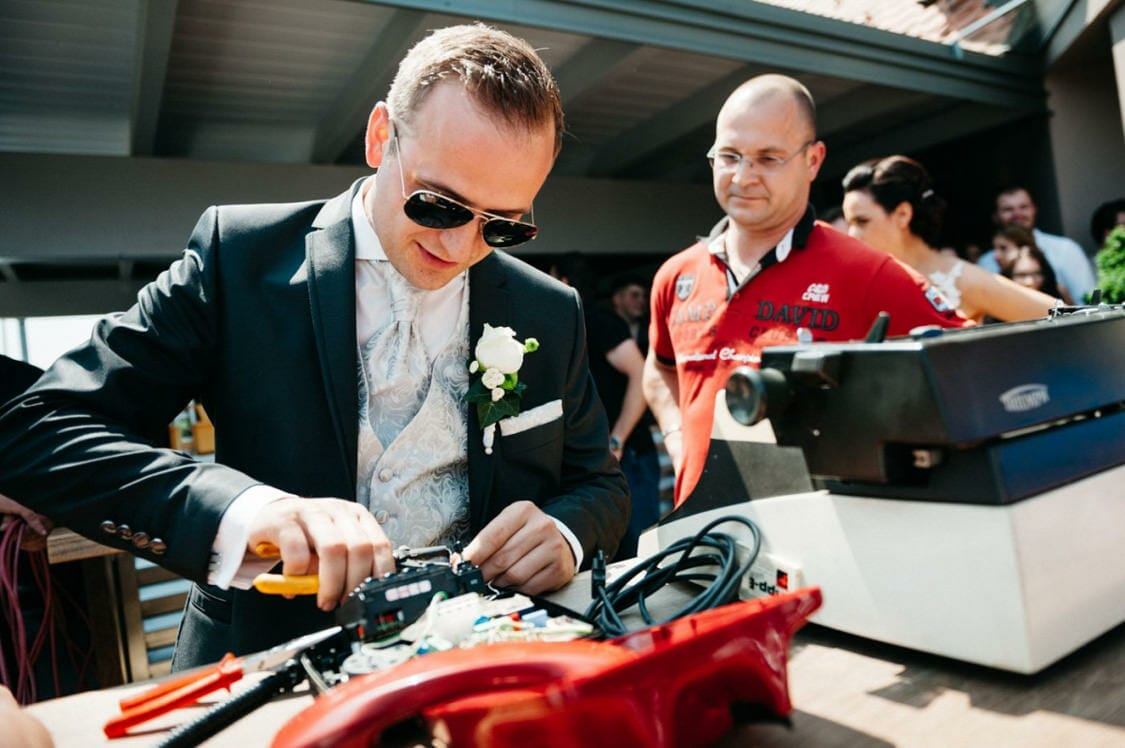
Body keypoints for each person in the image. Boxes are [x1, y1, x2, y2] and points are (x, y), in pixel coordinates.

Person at [0, 24, 628, 670]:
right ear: (380, 136)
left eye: (502, 226)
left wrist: (564, 533)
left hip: (472, 671)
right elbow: (33, 429)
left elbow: (600, 485)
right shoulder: (237, 258)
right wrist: (245, 512)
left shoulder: (549, 311)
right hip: (263, 669)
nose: (460, 247)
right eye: (438, 206)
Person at [643, 75, 968, 508]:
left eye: (768, 158)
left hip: (820, 546)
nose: (743, 176)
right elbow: (660, 368)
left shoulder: (866, 272)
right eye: (729, 156)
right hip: (700, 535)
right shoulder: (676, 275)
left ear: (813, 161)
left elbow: (966, 368)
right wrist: (678, 435)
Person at [842, 156, 1059, 323]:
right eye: (849, 223)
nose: (852, 234)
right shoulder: (864, 282)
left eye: (862, 221)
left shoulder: (961, 278)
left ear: (902, 215)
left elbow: (1067, 317)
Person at [977, 186, 1096, 302]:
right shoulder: (986, 262)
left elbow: (1087, 302)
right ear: (996, 216)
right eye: (1008, 209)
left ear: (1034, 209)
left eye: (1023, 207)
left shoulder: (1066, 249)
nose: (1017, 214)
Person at [992, 223, 1073, 303]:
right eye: (1021, 276)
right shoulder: (995, 288)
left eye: (1003, 248)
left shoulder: (1055, 289)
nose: (996, 256)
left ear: (1024, 247)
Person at [1002, 244, 1067, 301]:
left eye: (1037, 274)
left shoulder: (1059, 297)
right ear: (1008, 276)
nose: (1030, 282)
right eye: (1021, 275)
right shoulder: (999, 305)